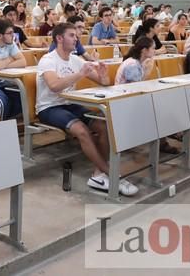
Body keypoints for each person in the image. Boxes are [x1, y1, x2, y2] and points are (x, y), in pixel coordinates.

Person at [36, 23, 137, 196]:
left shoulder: (76, 60)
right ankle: (112, 174)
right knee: (82, 130)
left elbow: (103, 83)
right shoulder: (48, 60)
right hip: (49, 108)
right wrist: (80, 74)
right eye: (72, 35)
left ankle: (98, 174)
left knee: (103, 126)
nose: (76, 39)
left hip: (70, 104)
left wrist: (104, 75)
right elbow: (54, 86)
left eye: (76, 35)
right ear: (59, 38)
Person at [116, 37, 179, 154]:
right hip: (123, 101)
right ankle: (165, 139)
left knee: (163, 104)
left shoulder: (136, 62)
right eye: (153, 48)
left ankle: (168, 135)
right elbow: (136, 88)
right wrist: (148, 71)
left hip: (130, 98)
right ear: (144, 50)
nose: (155, 51)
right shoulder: (132, 64)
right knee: (158, 109)